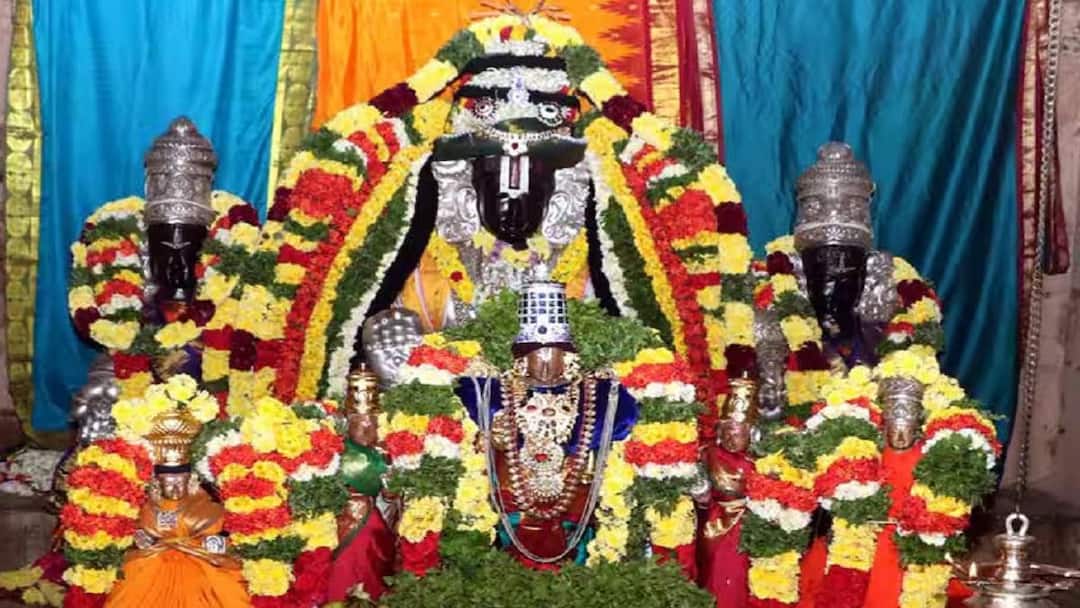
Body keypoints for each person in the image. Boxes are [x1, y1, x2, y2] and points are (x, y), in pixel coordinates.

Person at [105, 408, 249, 608]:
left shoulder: (207, 505)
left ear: (191, 480)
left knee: (226, 591)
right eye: (168, 482)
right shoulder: (147, 507)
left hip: (202, 563)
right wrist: (141, 539)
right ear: (157, 483)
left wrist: (210, 544)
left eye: (179, 481)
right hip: (152, 562)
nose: (174, 488)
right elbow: (135, 534)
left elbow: (226, 539)